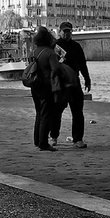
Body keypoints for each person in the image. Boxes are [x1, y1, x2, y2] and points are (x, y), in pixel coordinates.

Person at [50, 21, 91, 149]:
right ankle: (53, 136)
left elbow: (82, 64)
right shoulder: (54, 46)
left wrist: (87, 78)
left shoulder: (76, 46)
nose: (67, 34)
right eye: (64, 31)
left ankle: (78, 139)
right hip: (60, 83)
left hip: (74, 81)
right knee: (57, 111)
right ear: (60, 32)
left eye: (69, 31)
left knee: (78, 112)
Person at [30, 26, 63, 151]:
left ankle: (37, 140)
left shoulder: (34, 51)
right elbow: (56, 69)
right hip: (46, 86)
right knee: (46, 114)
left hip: (35, 86)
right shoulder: (49, 53)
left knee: (38, 112)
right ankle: (43, 142)